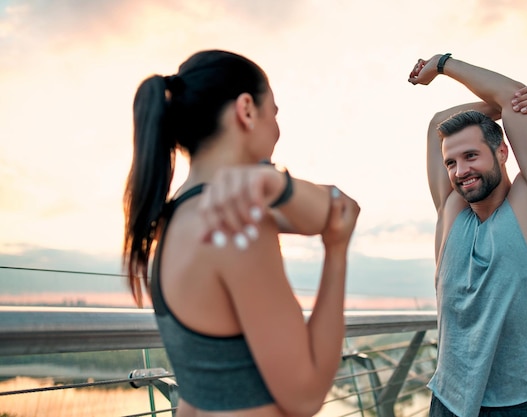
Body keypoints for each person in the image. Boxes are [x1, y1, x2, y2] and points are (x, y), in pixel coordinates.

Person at [122, 49, 360, 417]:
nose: (278, 129)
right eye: (275, 112)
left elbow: (328, 209)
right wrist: (337, 252)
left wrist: (275, 183)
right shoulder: (235, 226)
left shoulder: (175, 216)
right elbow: (306, 396)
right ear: (247, 109)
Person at [408, 54, 527, 417]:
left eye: (471, 156)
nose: (460, 171)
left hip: (522, 407)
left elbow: (512, 94)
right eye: (451, 162)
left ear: (501, 151)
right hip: (445, 402)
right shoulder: (451, 213)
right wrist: (498, 106)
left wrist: (443, 63)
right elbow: (438, 124)